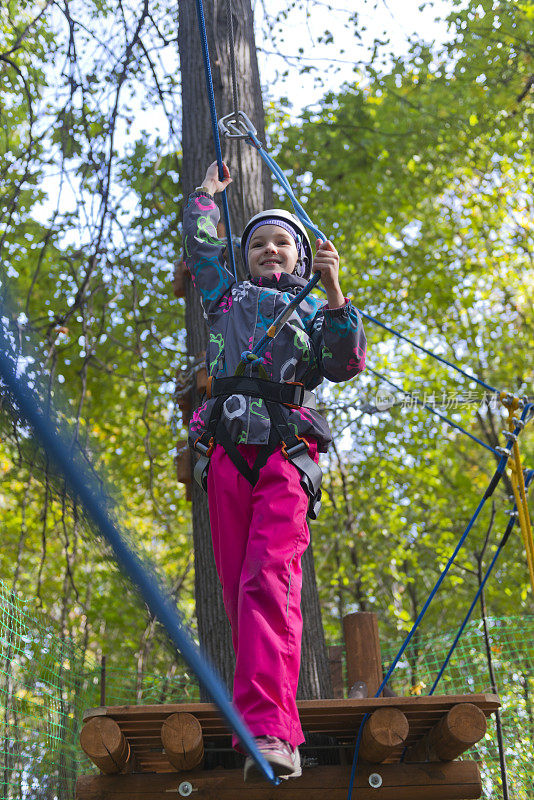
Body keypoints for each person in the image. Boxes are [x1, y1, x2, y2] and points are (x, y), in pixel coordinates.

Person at [181, 161, 366, 782]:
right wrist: (207, 197)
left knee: (269, 581)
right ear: (247, 257)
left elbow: (344, 364)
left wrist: (335, 292)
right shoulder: (226, 299)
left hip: (286, 456)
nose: (268, 250)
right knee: (239, 592)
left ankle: (265, 730)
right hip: (229, 454)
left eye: (281, 241)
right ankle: (271, 724)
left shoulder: (315, 311)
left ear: (300, 255)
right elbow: (204, 250)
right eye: (257, 243)